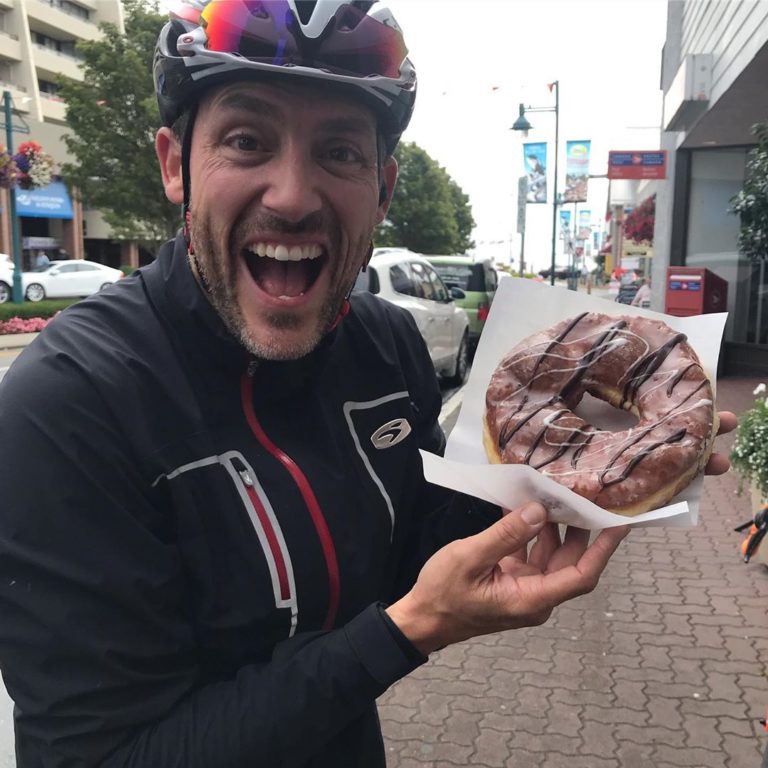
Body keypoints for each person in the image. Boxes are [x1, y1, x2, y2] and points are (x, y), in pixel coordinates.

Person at [0, 2, 735, 766]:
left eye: (339, 152)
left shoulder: (385, 345)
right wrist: (404, 632)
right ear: (176, 163)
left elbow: (414, 544)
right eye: (247, 141)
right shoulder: (71, 403)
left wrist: (575, 488)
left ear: (382, 190)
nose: (291, 193)